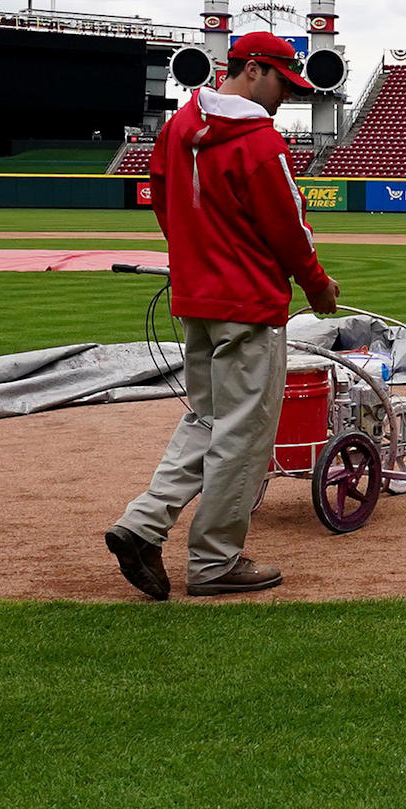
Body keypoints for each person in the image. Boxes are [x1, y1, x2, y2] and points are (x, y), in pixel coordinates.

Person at [105, 32, 339, 599]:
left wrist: (194, 258)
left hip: (195, 298)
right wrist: (316, 285)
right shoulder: (262, 144)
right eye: (284, 82)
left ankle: (142, 524)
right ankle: (214, 562)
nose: (287, 97)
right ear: (254, 69)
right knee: (246, 435)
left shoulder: (178, 126)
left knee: (208, 420)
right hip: (250, 304)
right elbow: (289, 228)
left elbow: (161, 198)